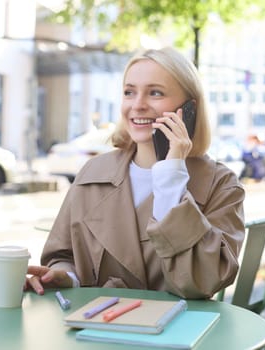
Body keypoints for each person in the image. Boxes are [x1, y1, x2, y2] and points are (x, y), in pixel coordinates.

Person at [25, 47, 246, 299]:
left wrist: (171, 176)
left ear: (189, 109)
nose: (137, 105)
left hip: (176, 332)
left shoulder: (221, 185)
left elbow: (204, 281)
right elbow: (63, 256)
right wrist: (66, 277)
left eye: (155, 93)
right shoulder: (92, 173)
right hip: (95, 325)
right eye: (129, 92)